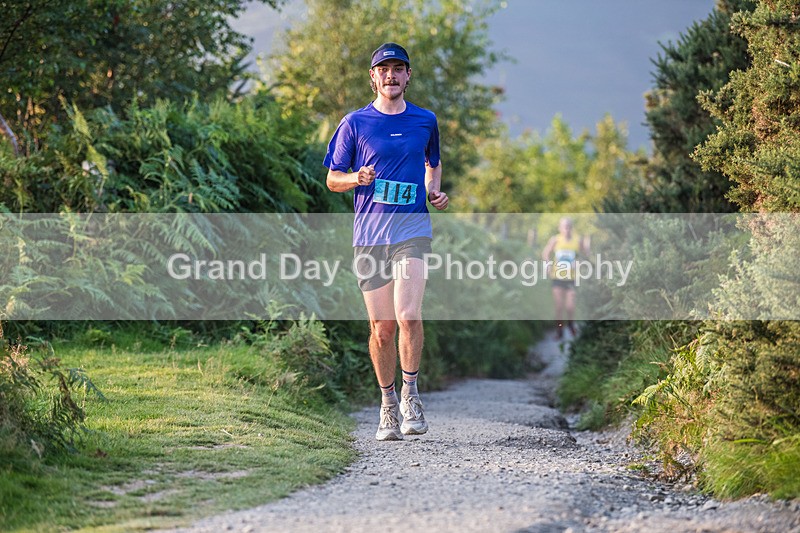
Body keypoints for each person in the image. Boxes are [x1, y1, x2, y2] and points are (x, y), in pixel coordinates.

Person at [323, 42, 448, 441]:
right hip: (370, 237)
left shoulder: (425, 120)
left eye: (399, 68)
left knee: (409, 315)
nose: (391, 75)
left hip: (412, 230)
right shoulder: (354, 123)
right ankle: (387, 403)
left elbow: (433, 162)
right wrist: (355, 178)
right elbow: (332, 178)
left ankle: (411, 394)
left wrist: (432, 191)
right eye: (384, 69)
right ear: (373, 77)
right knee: (382, 327)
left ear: (408, 76)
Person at [542, 217, 590, 339]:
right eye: (564, 227)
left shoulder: (577, 240)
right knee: (559, 306)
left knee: (570, 306)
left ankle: (571, 324)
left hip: (572, 278)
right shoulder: (555, 240)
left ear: (571, 228)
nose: (567, 229)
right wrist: (547, 266)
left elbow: (586, 255)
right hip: (557, 277)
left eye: (569, 226)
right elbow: (545, 253)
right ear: (560, 228)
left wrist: (581, 262)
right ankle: (559, 330)